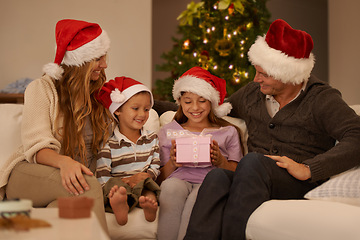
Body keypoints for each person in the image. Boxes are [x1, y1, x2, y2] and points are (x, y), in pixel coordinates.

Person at [184, 19, 360, 240]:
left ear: (288, 74)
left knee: (252, 161)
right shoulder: (252, 94)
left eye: (264, 74)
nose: (256, 79)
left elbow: (357, 135)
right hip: (254, 179)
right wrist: (149, 105)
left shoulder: (321, 99)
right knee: (218, 177)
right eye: (256, 71)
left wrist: (309, 168)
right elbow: (210, 108)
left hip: (297, 183)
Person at [3, 19, 111, 233]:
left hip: (68, 181)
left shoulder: (99, 95)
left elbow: (136, 104)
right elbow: (37, 146)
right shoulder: (41, 89)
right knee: (87, 187)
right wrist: (64, 162)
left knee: (67, 210)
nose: (105, 64)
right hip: (31, 173)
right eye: (98, 58)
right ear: (81, 61)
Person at [156, 66, 243, 240]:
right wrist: (173, 163)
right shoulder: (168, 131)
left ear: (211, 101)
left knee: (199, 198)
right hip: (177, 180)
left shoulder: (227, 131)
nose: (195, 107)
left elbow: (238, 172)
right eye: (188, 101)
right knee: (171, 188)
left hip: (209, 184)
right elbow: (159, 179)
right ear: (180, 102)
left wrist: (220, 162)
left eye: (202, 100)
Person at [95, 76, 161, 226]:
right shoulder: (108, 142)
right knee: (116, 188)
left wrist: (145, 175)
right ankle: (120, 205)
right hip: (120, 185)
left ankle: (149, 206)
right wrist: (124, 183)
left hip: (143, 183)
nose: (142, 114)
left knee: (149, 189)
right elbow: (102, 173)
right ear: (118, 110)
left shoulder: (152, 138)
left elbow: (156, 165)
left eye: (146, 109)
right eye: (135, 108)